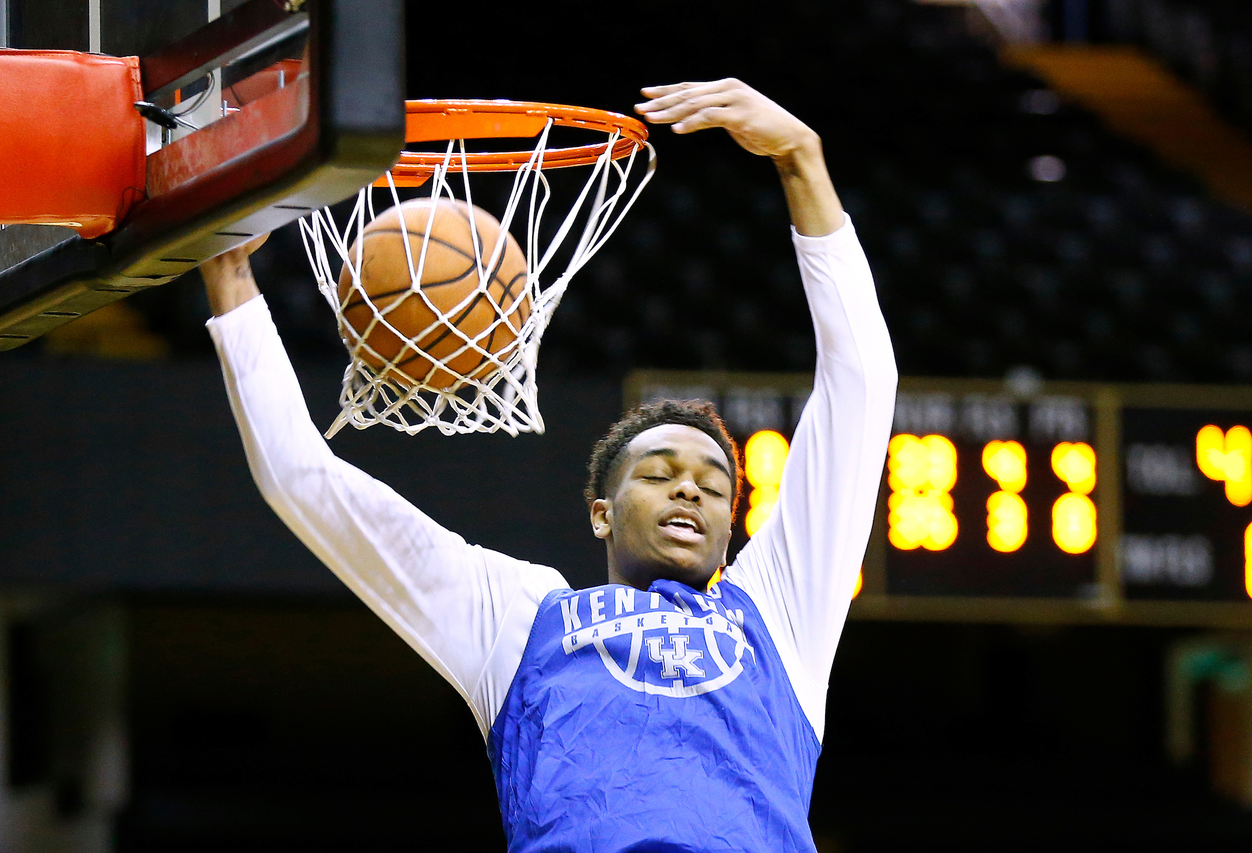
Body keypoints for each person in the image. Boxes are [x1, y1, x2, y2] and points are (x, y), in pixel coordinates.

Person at [202, 79, 897, 853]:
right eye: (659, 472)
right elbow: (306, 479)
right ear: (601, 512)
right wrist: (231, 283)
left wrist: (802, 159)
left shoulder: (778, 613)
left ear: (731, 528)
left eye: (713, 485)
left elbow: (861, 386)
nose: (689, 487)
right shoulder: (518, 617)